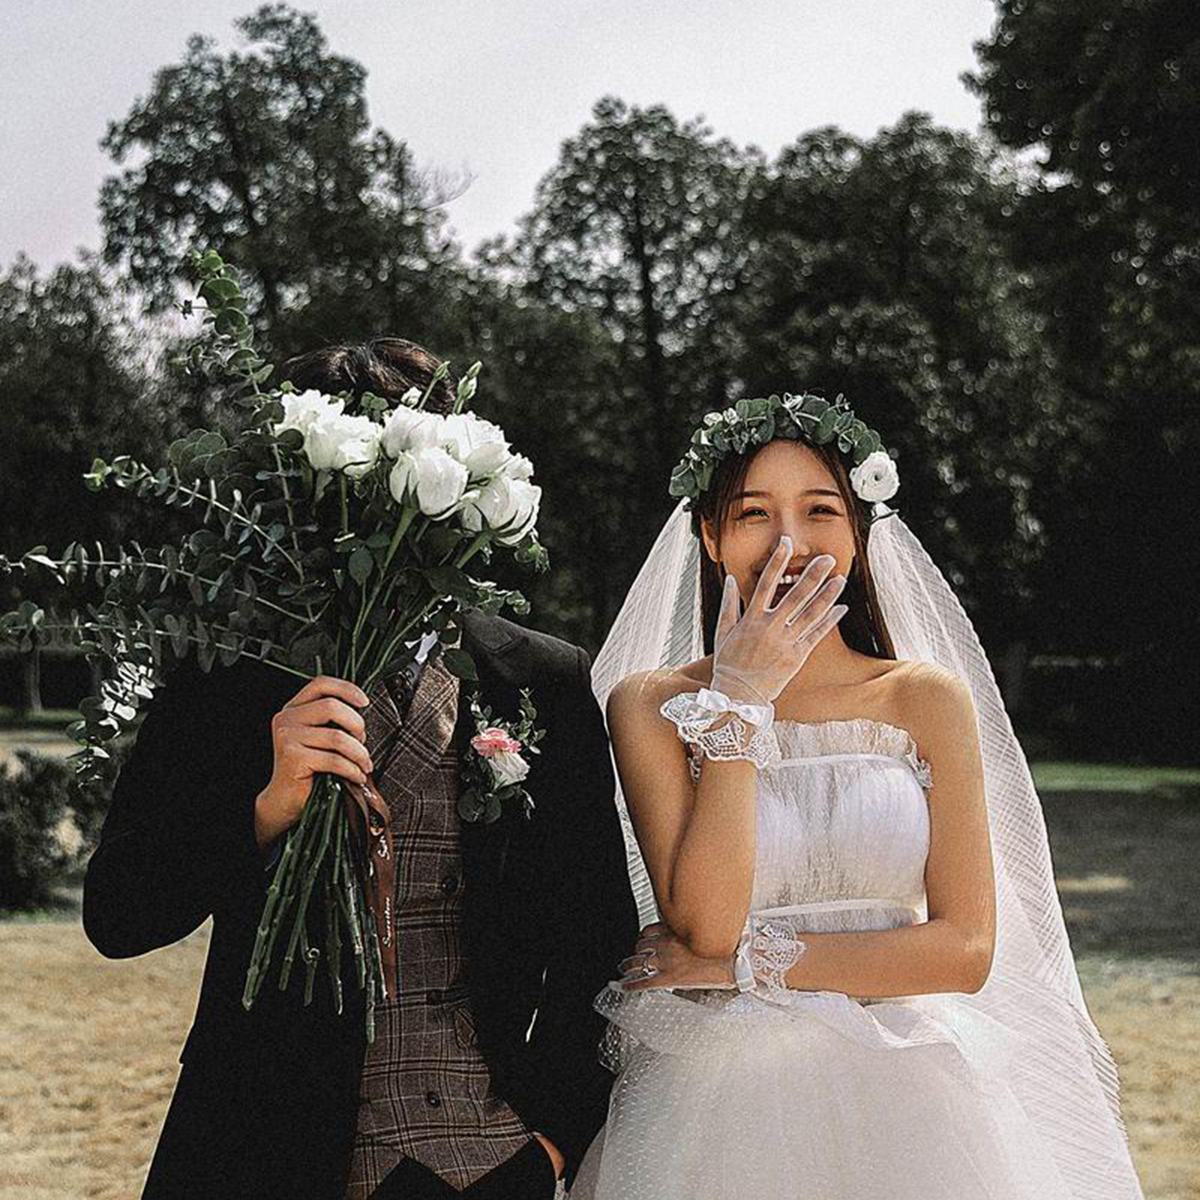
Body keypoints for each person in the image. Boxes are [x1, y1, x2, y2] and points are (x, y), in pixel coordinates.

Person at [82, 338, 638, 1200]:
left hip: (486, 1156)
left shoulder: (542, 677)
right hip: (256, 1150)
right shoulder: (225, 673)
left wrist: (551, 1142)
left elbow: (596, 935)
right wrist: (262, 812)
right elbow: (118, 915)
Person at [571, 392, 1145, 1199]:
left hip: (914, 1094)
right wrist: (738, 701)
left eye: (821, 510)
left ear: (859, 531)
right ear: (710, 536)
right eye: (753, 513)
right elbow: (704, 922)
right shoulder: (650, 705)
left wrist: (742, 966)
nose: (790, 543)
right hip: (723, 1107)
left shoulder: (924, 699)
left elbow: (965, 952)